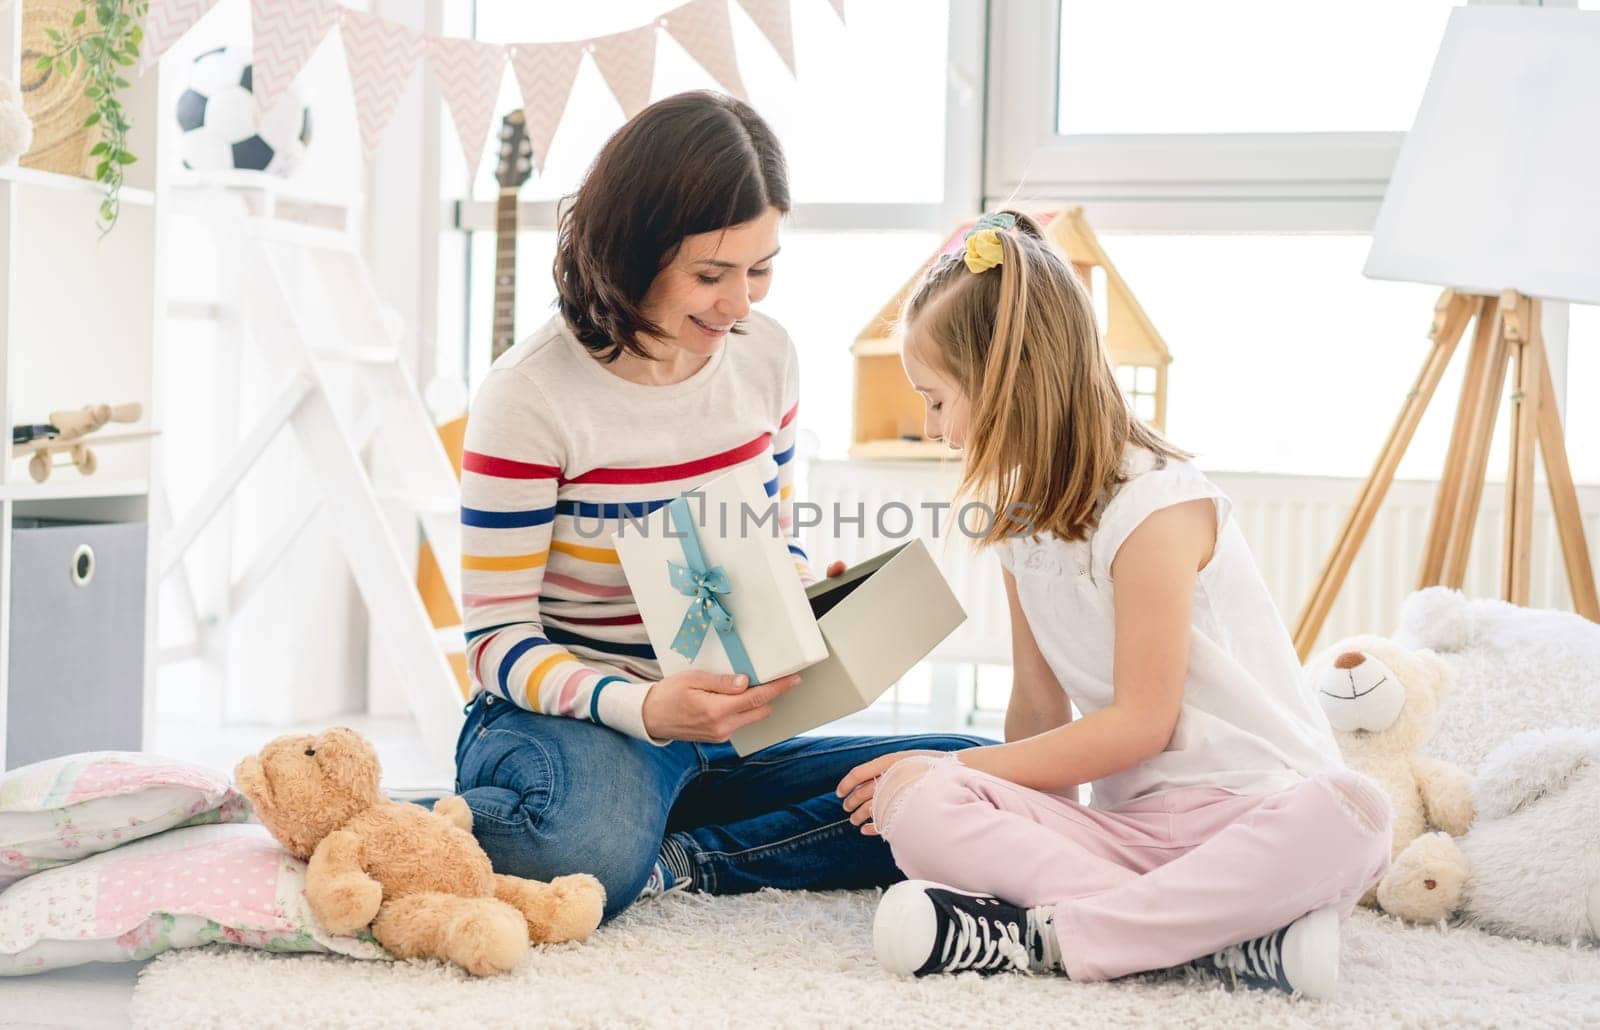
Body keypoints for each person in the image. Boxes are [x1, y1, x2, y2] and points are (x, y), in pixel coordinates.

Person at [454, 91, 986, 922]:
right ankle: (436, 826)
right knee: (578, 848)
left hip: (729, 733)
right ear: (633, 251)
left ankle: (681, 854)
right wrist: (645, 708)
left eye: (761, 269)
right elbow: (494, 642)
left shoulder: (767, 359)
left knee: (975, 774)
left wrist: (808, 598)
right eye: (711, 274)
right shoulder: (531, 396)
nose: (740, 304)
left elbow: (768, 540)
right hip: (578, 723)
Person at [835, 212, 1392, 999]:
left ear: (1008, 381)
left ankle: (1053, 933)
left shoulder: (1156, 504)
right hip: (1128, 838)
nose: (934, 429)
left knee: (1357, 811)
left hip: (1250, 815)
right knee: (916, 803)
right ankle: (1219, 940)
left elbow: (1142, 723)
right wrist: (986, 802)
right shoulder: (1018, 516)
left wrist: (960, 768)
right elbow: (1035, 707)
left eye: (937, 399)